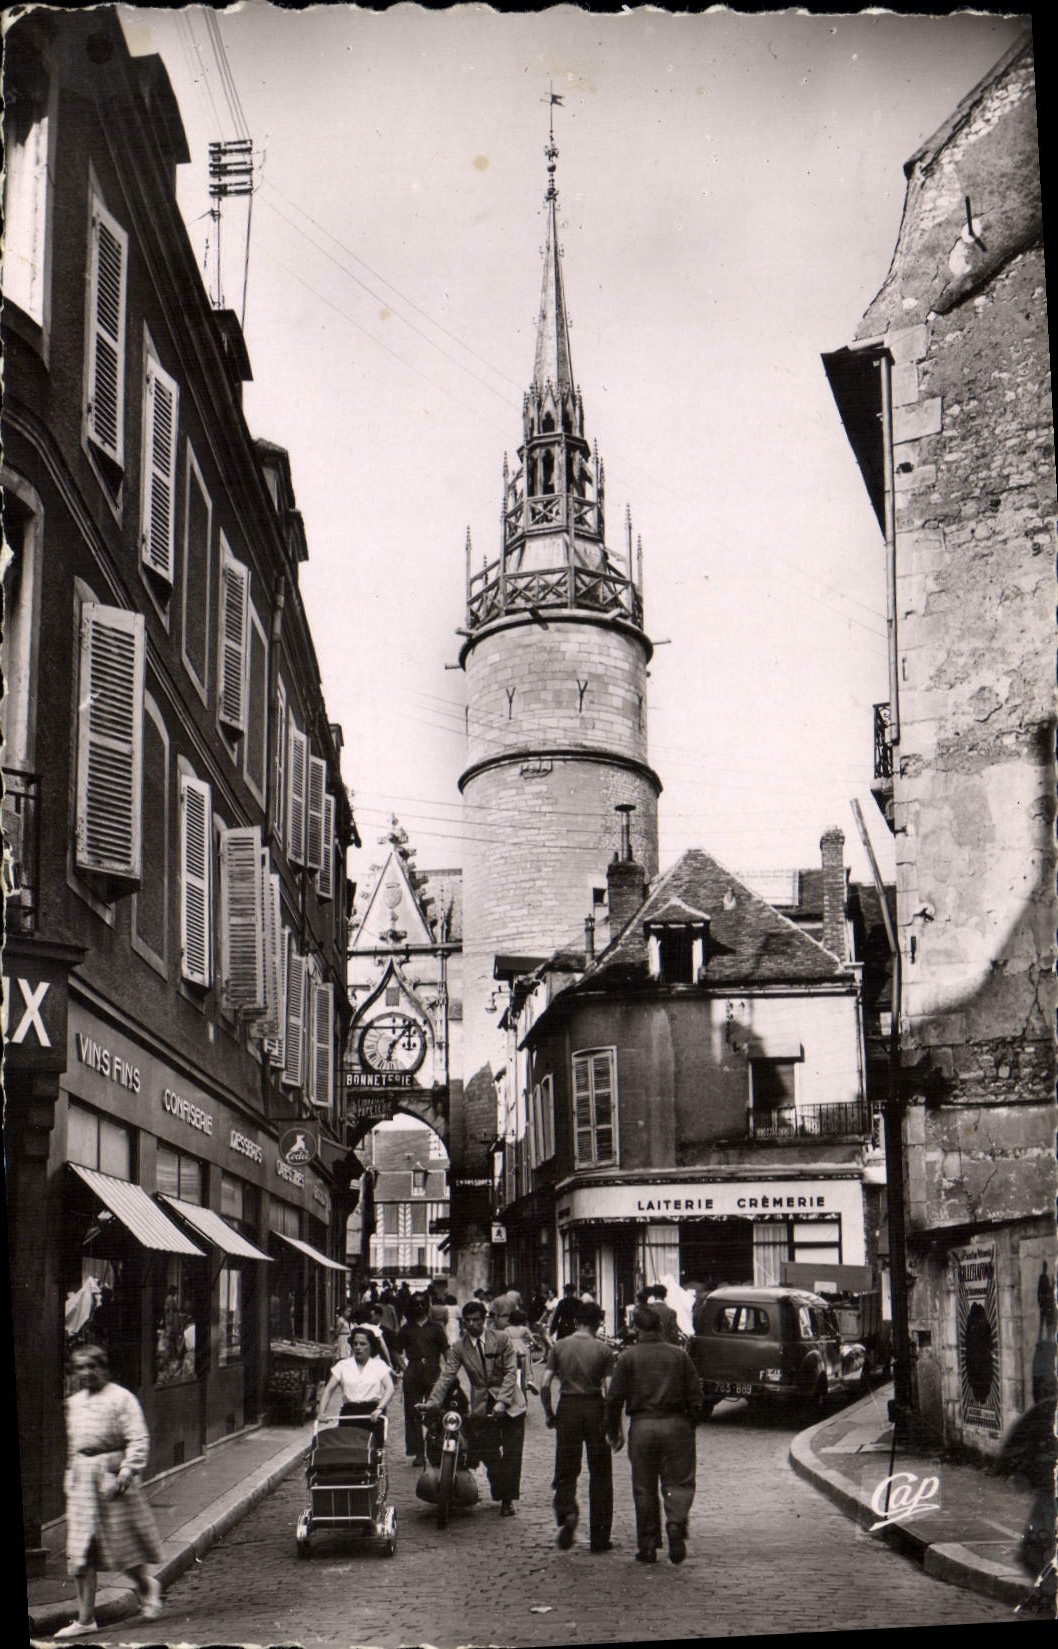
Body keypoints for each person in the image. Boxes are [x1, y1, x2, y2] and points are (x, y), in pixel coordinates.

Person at [57, 1344, 163, 1639]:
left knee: (120, 1547)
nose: (87, 1372)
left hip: (111, 1477)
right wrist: (70, 1476)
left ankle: (146, 1585)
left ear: (104, 1368)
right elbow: (75, 1444)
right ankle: (86, 1619)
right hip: (82, 1478)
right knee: (81, 1550)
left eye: (93, 1366)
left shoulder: (121, 1398)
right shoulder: (74, 1403)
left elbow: (138, 1438)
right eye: (81, 1367)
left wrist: (128, 1470)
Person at [605, 1304, 702, 1566]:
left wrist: (614, 1431)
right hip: (676, 1424)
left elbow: (613, 1398)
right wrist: (690, 1425)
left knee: (644, 1487)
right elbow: (696, 1396)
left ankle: (647, 1546)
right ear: (660, 1327)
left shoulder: (627, 1358)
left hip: (642, 1426)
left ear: (635, 1328)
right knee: (679, 1482)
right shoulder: (679, 1356)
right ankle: (675, 1521)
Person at [424, 1298, 527, 1516]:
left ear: (485, 1320)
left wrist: (502, 1401)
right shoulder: (459, 1347)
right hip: (482, 1406)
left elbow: (511, 1372)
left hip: (512, 1405)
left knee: (512, 1454)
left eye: (476, 1320)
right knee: (489, 1453)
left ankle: (507, 1501)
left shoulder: (501, 1339)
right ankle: (500, 1492)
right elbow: (446, 1376)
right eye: (467, 1320)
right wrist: (432, 1402)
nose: (471, 1324)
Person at [541, 1300, 616, 1553]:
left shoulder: (559, 1346)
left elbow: (544, 1384)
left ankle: (567, 1513)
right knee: (600, 1473)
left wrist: (549, 1413)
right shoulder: (604, 1350)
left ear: (575, 1322)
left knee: (566, 1468)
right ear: (598, 1323)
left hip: (568, 1409)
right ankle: (600, 1538)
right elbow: (610, 1390)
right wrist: (612, 1421)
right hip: (594, 1409)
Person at [397, 1294, 449, 1466]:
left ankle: (435, 1448)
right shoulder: (406, 1329)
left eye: (422, 1304)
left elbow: (446, 1350)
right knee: (413, 1414)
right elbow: (396, 1351)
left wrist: (450, 1372)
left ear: (427, 1306)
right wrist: (405, 1368)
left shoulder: (436, 1328)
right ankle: (418, 1452)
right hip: (413, 1372)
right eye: (415, 1304)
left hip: (433, 1371)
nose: (419, 1307)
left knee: (436, 1411)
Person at [318, 1325, 395, 1426]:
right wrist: (321, 1412)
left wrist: (380, 1408)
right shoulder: (343, 1365)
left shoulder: (379, 1365)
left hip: (372, 1413)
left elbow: (390, 1388)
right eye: (355, 1344)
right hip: (349, 1413)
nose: (358, 1347)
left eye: (363, 1344)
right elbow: (328, 1389)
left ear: (371, 1346)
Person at [505, 1307, 540, 1396]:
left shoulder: (507, 1329)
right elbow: (532, 1339)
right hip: (523, 1348)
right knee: (528, 1362)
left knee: (509, 1364)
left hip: (511, 1348)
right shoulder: (524, 1329)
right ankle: (529, 1380)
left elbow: (505, 1339)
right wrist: (537, 1345)